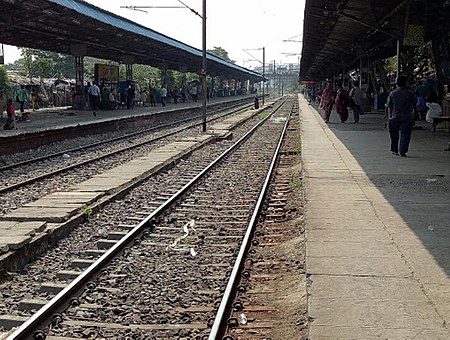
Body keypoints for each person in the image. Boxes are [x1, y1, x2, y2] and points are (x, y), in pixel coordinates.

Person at [386, 75, 417, 157]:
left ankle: (394, 150)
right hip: (406, 117)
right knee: (405, 134)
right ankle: (402, 151)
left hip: (394, 117)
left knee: (394, 135)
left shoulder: (393, 93)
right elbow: (415, 104)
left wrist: (389, 117)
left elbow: (389, 106)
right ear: (405, 83)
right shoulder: (410, 93)